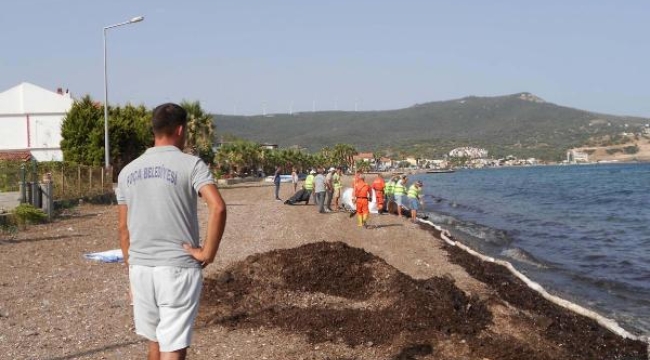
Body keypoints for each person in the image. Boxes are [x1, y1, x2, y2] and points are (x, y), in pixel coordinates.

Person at [116, 103, 227, 360]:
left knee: (154, 341)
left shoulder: (127, 172)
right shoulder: (191, 164)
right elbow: (218, 207)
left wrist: (132, 271)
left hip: (141, 269)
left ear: (154, 130)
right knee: (173, 346)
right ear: (180, 130)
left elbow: (123, 229)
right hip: (177, 268)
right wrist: (207, 253)